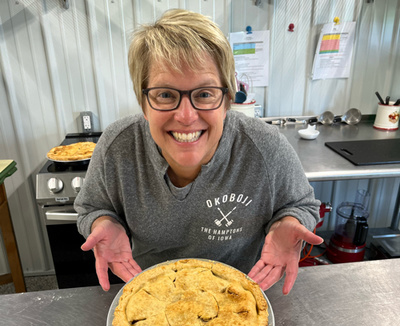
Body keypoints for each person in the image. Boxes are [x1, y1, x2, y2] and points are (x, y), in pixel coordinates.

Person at [74, 8, 323, 294]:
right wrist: (102, 221)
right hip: (152, 297)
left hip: (237, 300)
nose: (186, 116)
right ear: (143, 103)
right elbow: (92, 207)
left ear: (227, 100)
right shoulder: (117, 148)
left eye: (204, 94)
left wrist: (289, 222)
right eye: (165, 95)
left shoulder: (266, 148)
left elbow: (302, 204)